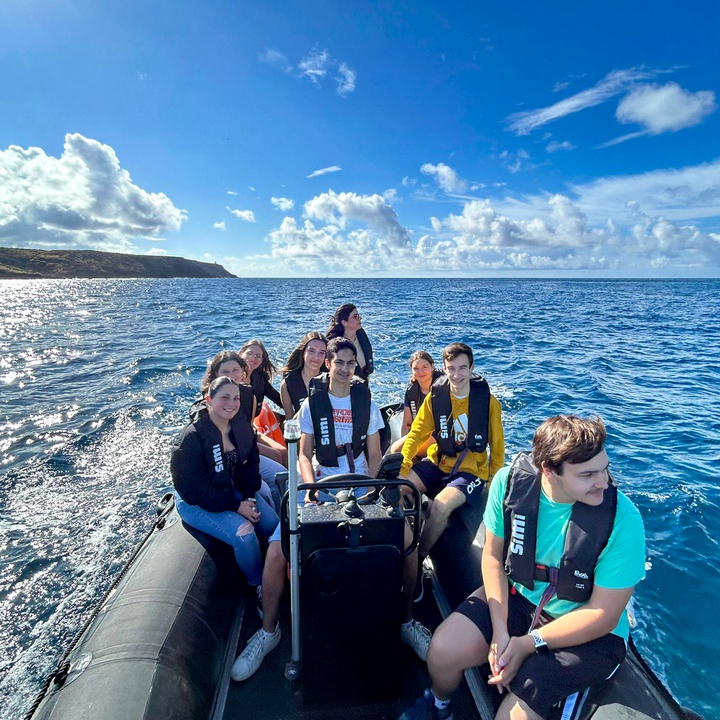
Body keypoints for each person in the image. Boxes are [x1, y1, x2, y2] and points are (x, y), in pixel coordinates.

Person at [399, 415, 646, 720]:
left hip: (588, 632)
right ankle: (439, 707)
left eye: (605, 468)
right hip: (521, 598)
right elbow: (492, 556)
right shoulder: (510, 483)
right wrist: (500, 631)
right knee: (442, 651)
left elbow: (604, 615)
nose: (603, 482)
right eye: (588, 474)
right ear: (549, 471)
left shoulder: (623, 519)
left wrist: (527, 644)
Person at [297, 337, 431, 660]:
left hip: (363, 480)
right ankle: (307, 621)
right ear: (328, 363)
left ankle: (407, 619)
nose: (345, 369)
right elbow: (304, 454)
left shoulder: (365, 402)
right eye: (339, 362)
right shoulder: (311, 404)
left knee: (408, 540)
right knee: (297, 540)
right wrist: (311, 488)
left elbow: (374, 451)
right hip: (326, 480)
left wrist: (376, 490)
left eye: (350, 363)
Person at [171, 377, 279, 605]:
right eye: (224, 397)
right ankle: (258, 584)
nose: (231, 403)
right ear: (209, 400)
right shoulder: (191, 438)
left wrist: (249, 497)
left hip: (233, 489)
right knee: (244, 533)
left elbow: (251, 466)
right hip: (197, 503)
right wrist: (236, 506)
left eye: (236, 398)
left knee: (271, 525)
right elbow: (193, 490)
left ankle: (280, 568)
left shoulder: (240, 426)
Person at [401, 342, 505, 558]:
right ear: (444, 368)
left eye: (462, 368)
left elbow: (497, 447)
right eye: (451, 369)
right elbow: (417, 433)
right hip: (438, 462)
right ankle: (404, 543)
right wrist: (403, 466)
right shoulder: (436, 398)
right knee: (398, 488)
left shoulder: (488, 403)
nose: (456, 375)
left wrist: (494, 486)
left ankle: (419, 557)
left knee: (440, 506)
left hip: (470, 472)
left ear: (472, 367)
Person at [198, 350, 284, 511]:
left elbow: (249, 430)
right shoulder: (209, 402)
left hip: (244, 453)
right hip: (223, 461)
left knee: (281, 472)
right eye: (225, 371)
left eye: (235, 370)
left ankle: (284, 521)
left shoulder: (248, 395)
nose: (231, 375)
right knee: (263, 490)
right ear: (216, 374)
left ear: (243, 371)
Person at [239, 339, 288, 469]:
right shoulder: (234, 379)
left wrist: (294, 412)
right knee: (277, 456)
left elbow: (276, 398)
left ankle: (293, 486)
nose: (253, 358)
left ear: (261, 361)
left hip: (251, 430)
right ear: (241, 354)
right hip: (236, 435)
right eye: (249, 353)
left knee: (284, 453)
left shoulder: (259, 378)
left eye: (258, 356)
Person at [390, 350, 443, 454]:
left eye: (424, 367)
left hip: (441, 438)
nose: (420, 372)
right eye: (416, 368)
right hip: (420, 436)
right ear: (411, 370)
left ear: (432, 366)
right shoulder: (411, 392)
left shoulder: (444, 388)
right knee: (395, 450)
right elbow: (406, 424)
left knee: (401, 446)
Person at [279, 331, 328, 419]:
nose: (316, 357)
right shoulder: (287, 384)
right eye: (311, 351)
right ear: (303, 353)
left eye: (321, 353)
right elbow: (290, 418)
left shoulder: (332, 380)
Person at [325, 303, 373, 379]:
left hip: (363, 383)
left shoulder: (360, 335)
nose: (359, 318)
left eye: (358, 315)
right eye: (355, 316)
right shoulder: (336, 345)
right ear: (344, 322)